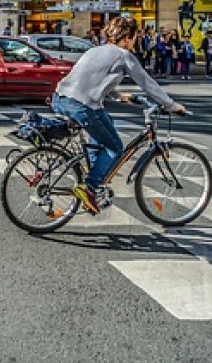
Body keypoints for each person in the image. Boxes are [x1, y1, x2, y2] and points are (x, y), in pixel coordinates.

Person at [52, 16, 187, 215]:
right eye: (134, 38)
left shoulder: (94, 50)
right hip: (82, 106)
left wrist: (118, 96)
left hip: (60, 98)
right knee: (115, 147)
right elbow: (147, 83)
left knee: (106, 122)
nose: (135, 43)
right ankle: (89, 187)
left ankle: (93, 171)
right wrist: (171, 105)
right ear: (126, 38)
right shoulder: (124, 55)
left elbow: (92, 78)